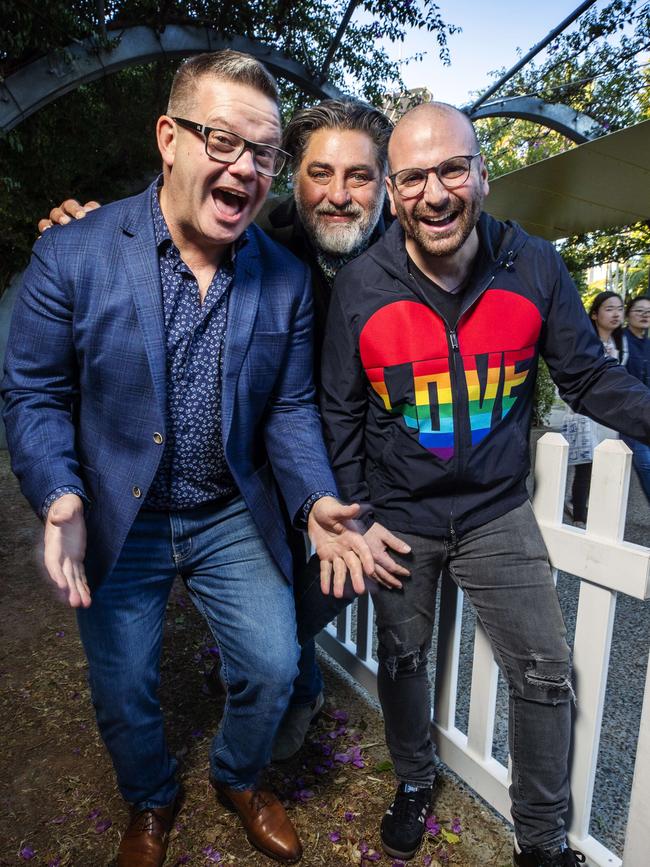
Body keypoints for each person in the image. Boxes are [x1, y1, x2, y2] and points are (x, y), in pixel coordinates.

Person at [2, 51, 376, 867]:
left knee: (276, 663)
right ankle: (151, 796)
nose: (245, 167)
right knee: (123, 689)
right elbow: (31, 392)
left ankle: (239, 774)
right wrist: (60, 493)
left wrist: (313, 498)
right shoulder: (73, 253)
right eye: (222, 140)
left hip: (225, 511)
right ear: (169, 139)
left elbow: (287, 404)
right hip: (116, 515)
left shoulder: (283, 278)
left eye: (264, 153)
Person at [319, 101, 650, 867]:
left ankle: (540, 841)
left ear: (482, 175)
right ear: (393, 194)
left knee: (544, 669)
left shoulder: (534, 264)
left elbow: (589, 375)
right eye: (413, 177)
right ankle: (412, 779)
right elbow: (337, 411)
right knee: (403, 659)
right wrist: (353, 516)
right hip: (397, 515)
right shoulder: (360, 285)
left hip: (498, 512)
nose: (435, 193)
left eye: (451, 169)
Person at [35, 98, 409, 763]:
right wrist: (89, 236)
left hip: (360, 480)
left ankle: (293, 691)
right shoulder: (263, 247)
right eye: (320, 172)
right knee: (278, 622)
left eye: (360, 176)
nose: (340, 194)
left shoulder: (416, 262)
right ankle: (292, 684)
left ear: (385, 182)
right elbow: (156, 234)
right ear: (293, 177)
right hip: (272, 476)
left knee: (289, 624)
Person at [564, 291, 627, 526]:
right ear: (594, 314)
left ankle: (590, 507)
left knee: (606, 464)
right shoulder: (586, 343)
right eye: (609, 308)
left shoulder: (621, 343)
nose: (615, 314)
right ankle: (579, 514)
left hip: (611, 417)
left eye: (619, 308)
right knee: (585, 467)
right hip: (585, 415)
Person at [622, 294, 650, 498]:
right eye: (639, 311)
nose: (644, 315)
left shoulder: (648, 344)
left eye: (648, 312)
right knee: (645, 462)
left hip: (646, 412)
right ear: (628, 315)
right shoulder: (620, 340)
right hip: (628, 414)